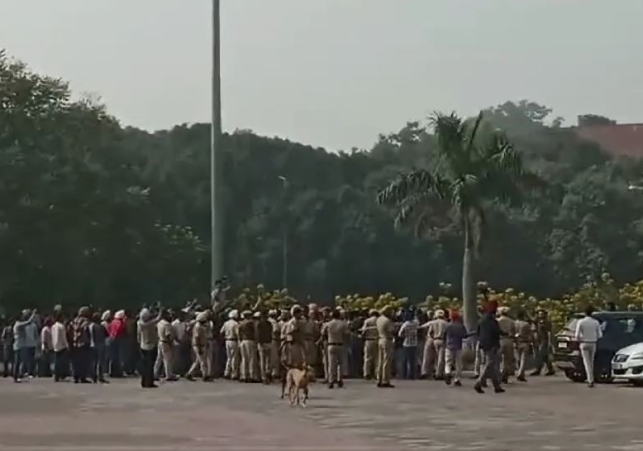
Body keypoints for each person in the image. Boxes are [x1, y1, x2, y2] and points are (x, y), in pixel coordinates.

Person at [474, 300, 505, 394]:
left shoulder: (480, 321)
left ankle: (497, 386)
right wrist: (507, 334)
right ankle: (478, 382)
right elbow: (497, 331)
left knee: (492, 365)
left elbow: (478, 333)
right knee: (490, 363)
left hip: (483, 344)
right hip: (492, 344)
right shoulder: (493, 322)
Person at [575, 305, 602, 388]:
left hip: (584, 342)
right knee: (592, 361)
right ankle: (591, 378)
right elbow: (600, 335)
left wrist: (580, 339)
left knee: (586, 362)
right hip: (593, 342)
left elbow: (577, 335)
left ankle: (590, 379)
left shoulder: (581, 322)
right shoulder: (596, 322)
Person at [321, 308, 349, 388]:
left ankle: (331, 380)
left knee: (331, 364)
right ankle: (339, 379)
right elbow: (347, 334)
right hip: (340, 344)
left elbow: (323, 334)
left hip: (331, 344)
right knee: (340, 363)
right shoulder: (343, 324)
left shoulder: (328, 324)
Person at [137, 307, 161, 388]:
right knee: (149, 366)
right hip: (149, 346)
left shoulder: (139, 323)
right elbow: (157, 319)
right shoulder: (148, 324)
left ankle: (144, 382)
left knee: (145, 366)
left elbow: (138, 336)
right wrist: (160, 310)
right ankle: (149, 382)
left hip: (142, 345)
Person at [444, 310, 469, 386]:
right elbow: (465, 335)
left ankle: (448, 373)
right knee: (458, 363)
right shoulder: (461, 326)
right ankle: (457, 379)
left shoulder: (448, 326)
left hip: (449, 346)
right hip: (458, 346)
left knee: (448, 362)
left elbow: (444, 335)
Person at [375, 306, 394, 388]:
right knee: (387, 361)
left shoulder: (378, 319)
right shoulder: (387, 320)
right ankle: (385, 380)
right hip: (387, 339)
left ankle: (379, 378)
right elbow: (391, 330)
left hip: (380, 339)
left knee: (380, 360)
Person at [397, 310, 419, 379]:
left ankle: (404, 374)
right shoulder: (416, 323)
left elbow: (400, 334)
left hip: (406, 343)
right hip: (414, 343)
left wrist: (405, 335)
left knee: (405, 360)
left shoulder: (405, 324)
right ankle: (412, 375)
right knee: (413, 360)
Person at [51, 313, 69, 382]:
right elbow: (64, 337)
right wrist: (67, 345)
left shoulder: (53, 326)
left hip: (55, 345)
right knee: (62, 362)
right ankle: (62, 375)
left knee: (57, 362)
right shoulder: (61, 326)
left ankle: (56, 376)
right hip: (62, 346)